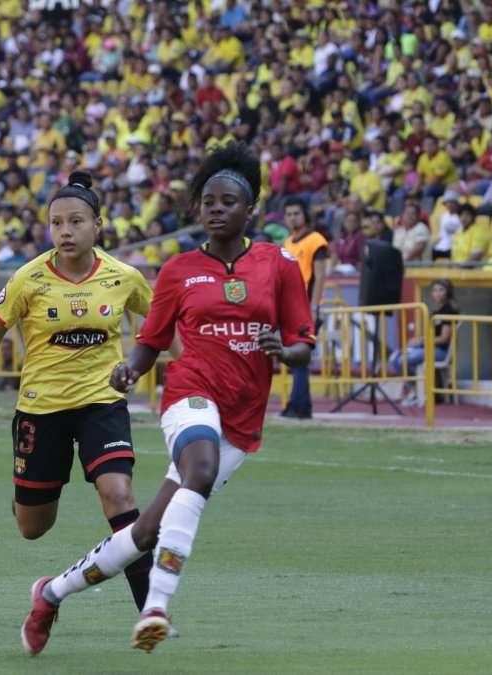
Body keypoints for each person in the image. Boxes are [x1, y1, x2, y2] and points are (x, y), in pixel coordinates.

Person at [17, 143, 314, 655]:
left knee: (148, 529)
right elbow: (152, 340)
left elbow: (304, 342)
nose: (215, 209)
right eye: (207, 201)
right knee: (197, 470)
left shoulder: (280, 264)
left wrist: (285, 353)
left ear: (251, 210)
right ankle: (155, 607)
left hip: (244, 417)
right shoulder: (178, 271)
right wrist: (131, 370)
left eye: (227, 201)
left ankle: (52, 592)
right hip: (192, 391)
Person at [0, 170, 160, 622]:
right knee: (34, 528)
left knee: (119, 494)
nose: (65, 231)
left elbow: (161, 321)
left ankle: (152, 611)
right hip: (41, 410)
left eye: (75, 222)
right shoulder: (28, 279)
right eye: (56, 223)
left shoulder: (123, 276)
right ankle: (24, 496)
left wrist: (164, 371)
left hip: (101, 404)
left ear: (98, 225)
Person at [280, 197, 328, 419]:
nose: (292, 217)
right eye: (289, 214)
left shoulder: (316, 240)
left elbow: (319, 276)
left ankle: (296, 406)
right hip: (291, 307)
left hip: (306, 308)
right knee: (298, 360)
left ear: (305, 215)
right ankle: (302, 406)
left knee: (299, 358)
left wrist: (314, 307)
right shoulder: (289, 242)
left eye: (296, 213)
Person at [387, 279, 458, 405]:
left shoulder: (449, 311)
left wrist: (422, 341)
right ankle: (416, 390)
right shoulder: (436, 312)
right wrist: (417, 343)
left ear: (448, 293)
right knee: (395, 357)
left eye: (441, 290)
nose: (437, 293)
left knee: (404, 360)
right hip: (429, 348)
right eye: (435, 290)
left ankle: (418, 393)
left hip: (441, 351)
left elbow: (443, 339)